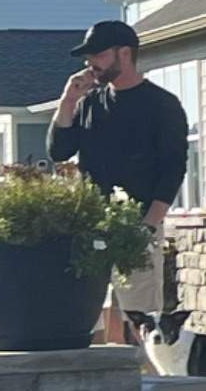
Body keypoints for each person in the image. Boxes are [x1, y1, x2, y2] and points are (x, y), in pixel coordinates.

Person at [47, 20, 191, 343]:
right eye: (88, 57)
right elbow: (59, 150)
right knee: (89, 319)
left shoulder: (162, 106)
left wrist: (148, 226)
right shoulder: (89, 104)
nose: (90, 64)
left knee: (139, 322)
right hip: (92, 226)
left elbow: (173, 170)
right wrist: (68, 99)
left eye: (97, 55)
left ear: (124, 54)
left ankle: (144, 387)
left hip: (138, 226)